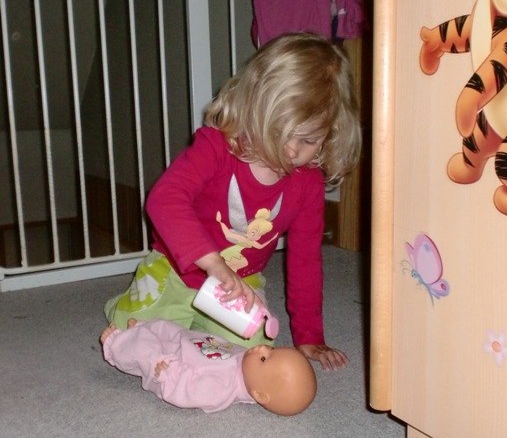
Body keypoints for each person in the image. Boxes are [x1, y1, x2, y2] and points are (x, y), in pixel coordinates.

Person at [104, 32, 362, 371]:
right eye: (279, 132)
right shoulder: (216, 147)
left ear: (332, 133)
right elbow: (164, 199)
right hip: (175, 272)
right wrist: (212, 263)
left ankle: (195, 331)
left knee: (253, 359)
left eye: (309, 140)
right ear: (253, 106)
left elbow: (305, 260)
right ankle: (123, 306)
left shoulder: (308, 183)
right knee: (128, 340)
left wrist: (309, 334)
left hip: (240, 283)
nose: (291, 151)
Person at [100, 319, 317, 416]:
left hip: (170, 366)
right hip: (186, 342)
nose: (262, 348)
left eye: (264, 359)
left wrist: (170, 372)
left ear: (259, 394)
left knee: (146, 355)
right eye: (271, 350)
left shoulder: (222, 388)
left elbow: (189, 393)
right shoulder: (247, 363)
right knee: (168, 327)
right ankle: (143, 329)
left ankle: (117, 344)